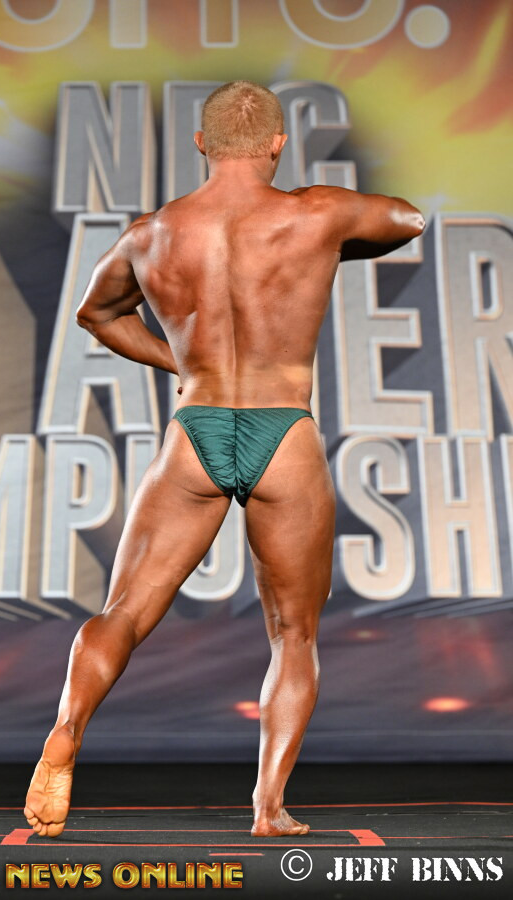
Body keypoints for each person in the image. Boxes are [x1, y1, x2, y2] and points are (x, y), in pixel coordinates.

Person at [25, 80, 425, 838]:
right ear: (277, 143)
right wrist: (333, 228)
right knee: (293, 635)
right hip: (284, 435)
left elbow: (94, 314)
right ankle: (268, 807)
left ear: (202, 144)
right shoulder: (315, 212)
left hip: (196, 430)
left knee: (122, 613)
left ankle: (67, 729)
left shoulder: (152, 234)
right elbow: (408, 218)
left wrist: (182, 362)